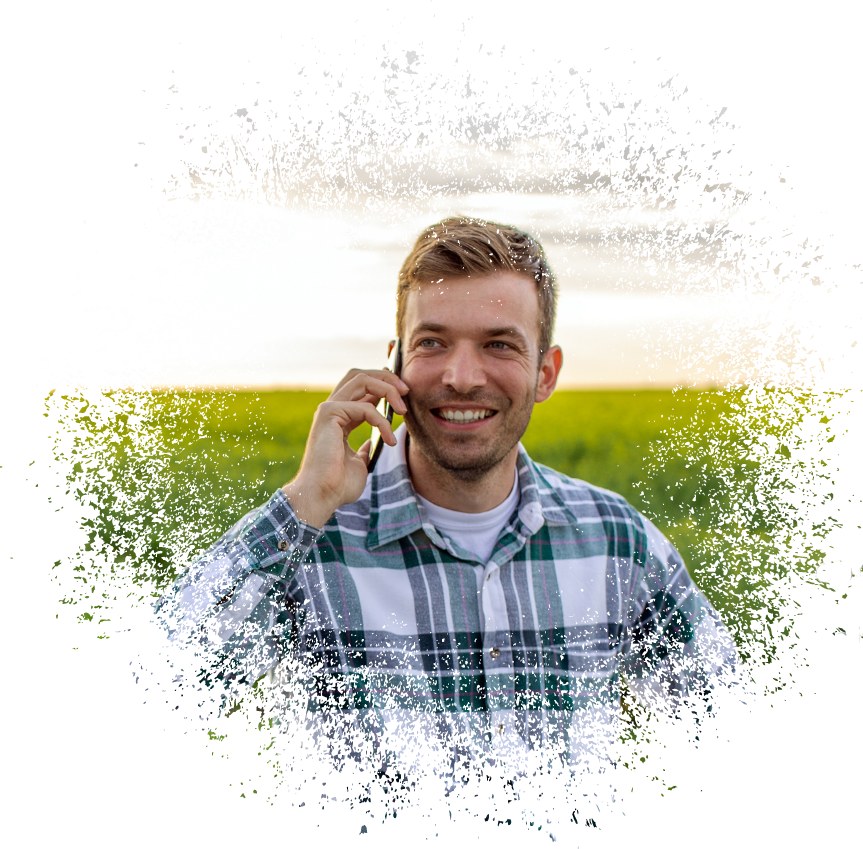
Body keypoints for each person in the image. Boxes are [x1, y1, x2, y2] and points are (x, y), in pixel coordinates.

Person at [153, 216, 753, 832]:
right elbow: (156, 697)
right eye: (432, 343)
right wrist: (305, 499)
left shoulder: (617, 542)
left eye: (499, 344)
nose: (461, 377)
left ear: (545, 372)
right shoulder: (304, 545)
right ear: (393, 365)